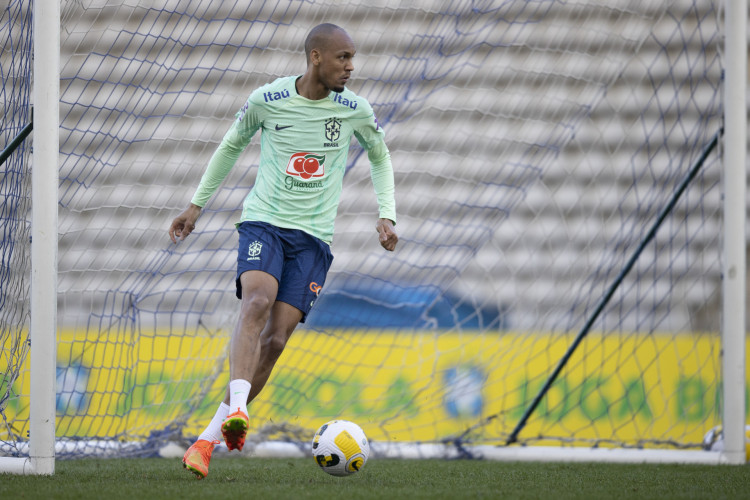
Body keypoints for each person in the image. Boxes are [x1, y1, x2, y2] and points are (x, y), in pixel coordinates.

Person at [168, 23, 398, 479]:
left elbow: (380, 155)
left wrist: (387, 214)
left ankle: (206, 441)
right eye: (343, 58)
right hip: (265, 223)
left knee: (275, 341)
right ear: (316, 57)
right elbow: (231, 145)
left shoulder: (354, 110)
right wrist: (195, 207)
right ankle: (238, 409)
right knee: (256, 301)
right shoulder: (267, 100)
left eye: (353, 59)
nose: (350, 68)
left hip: (313, 240)